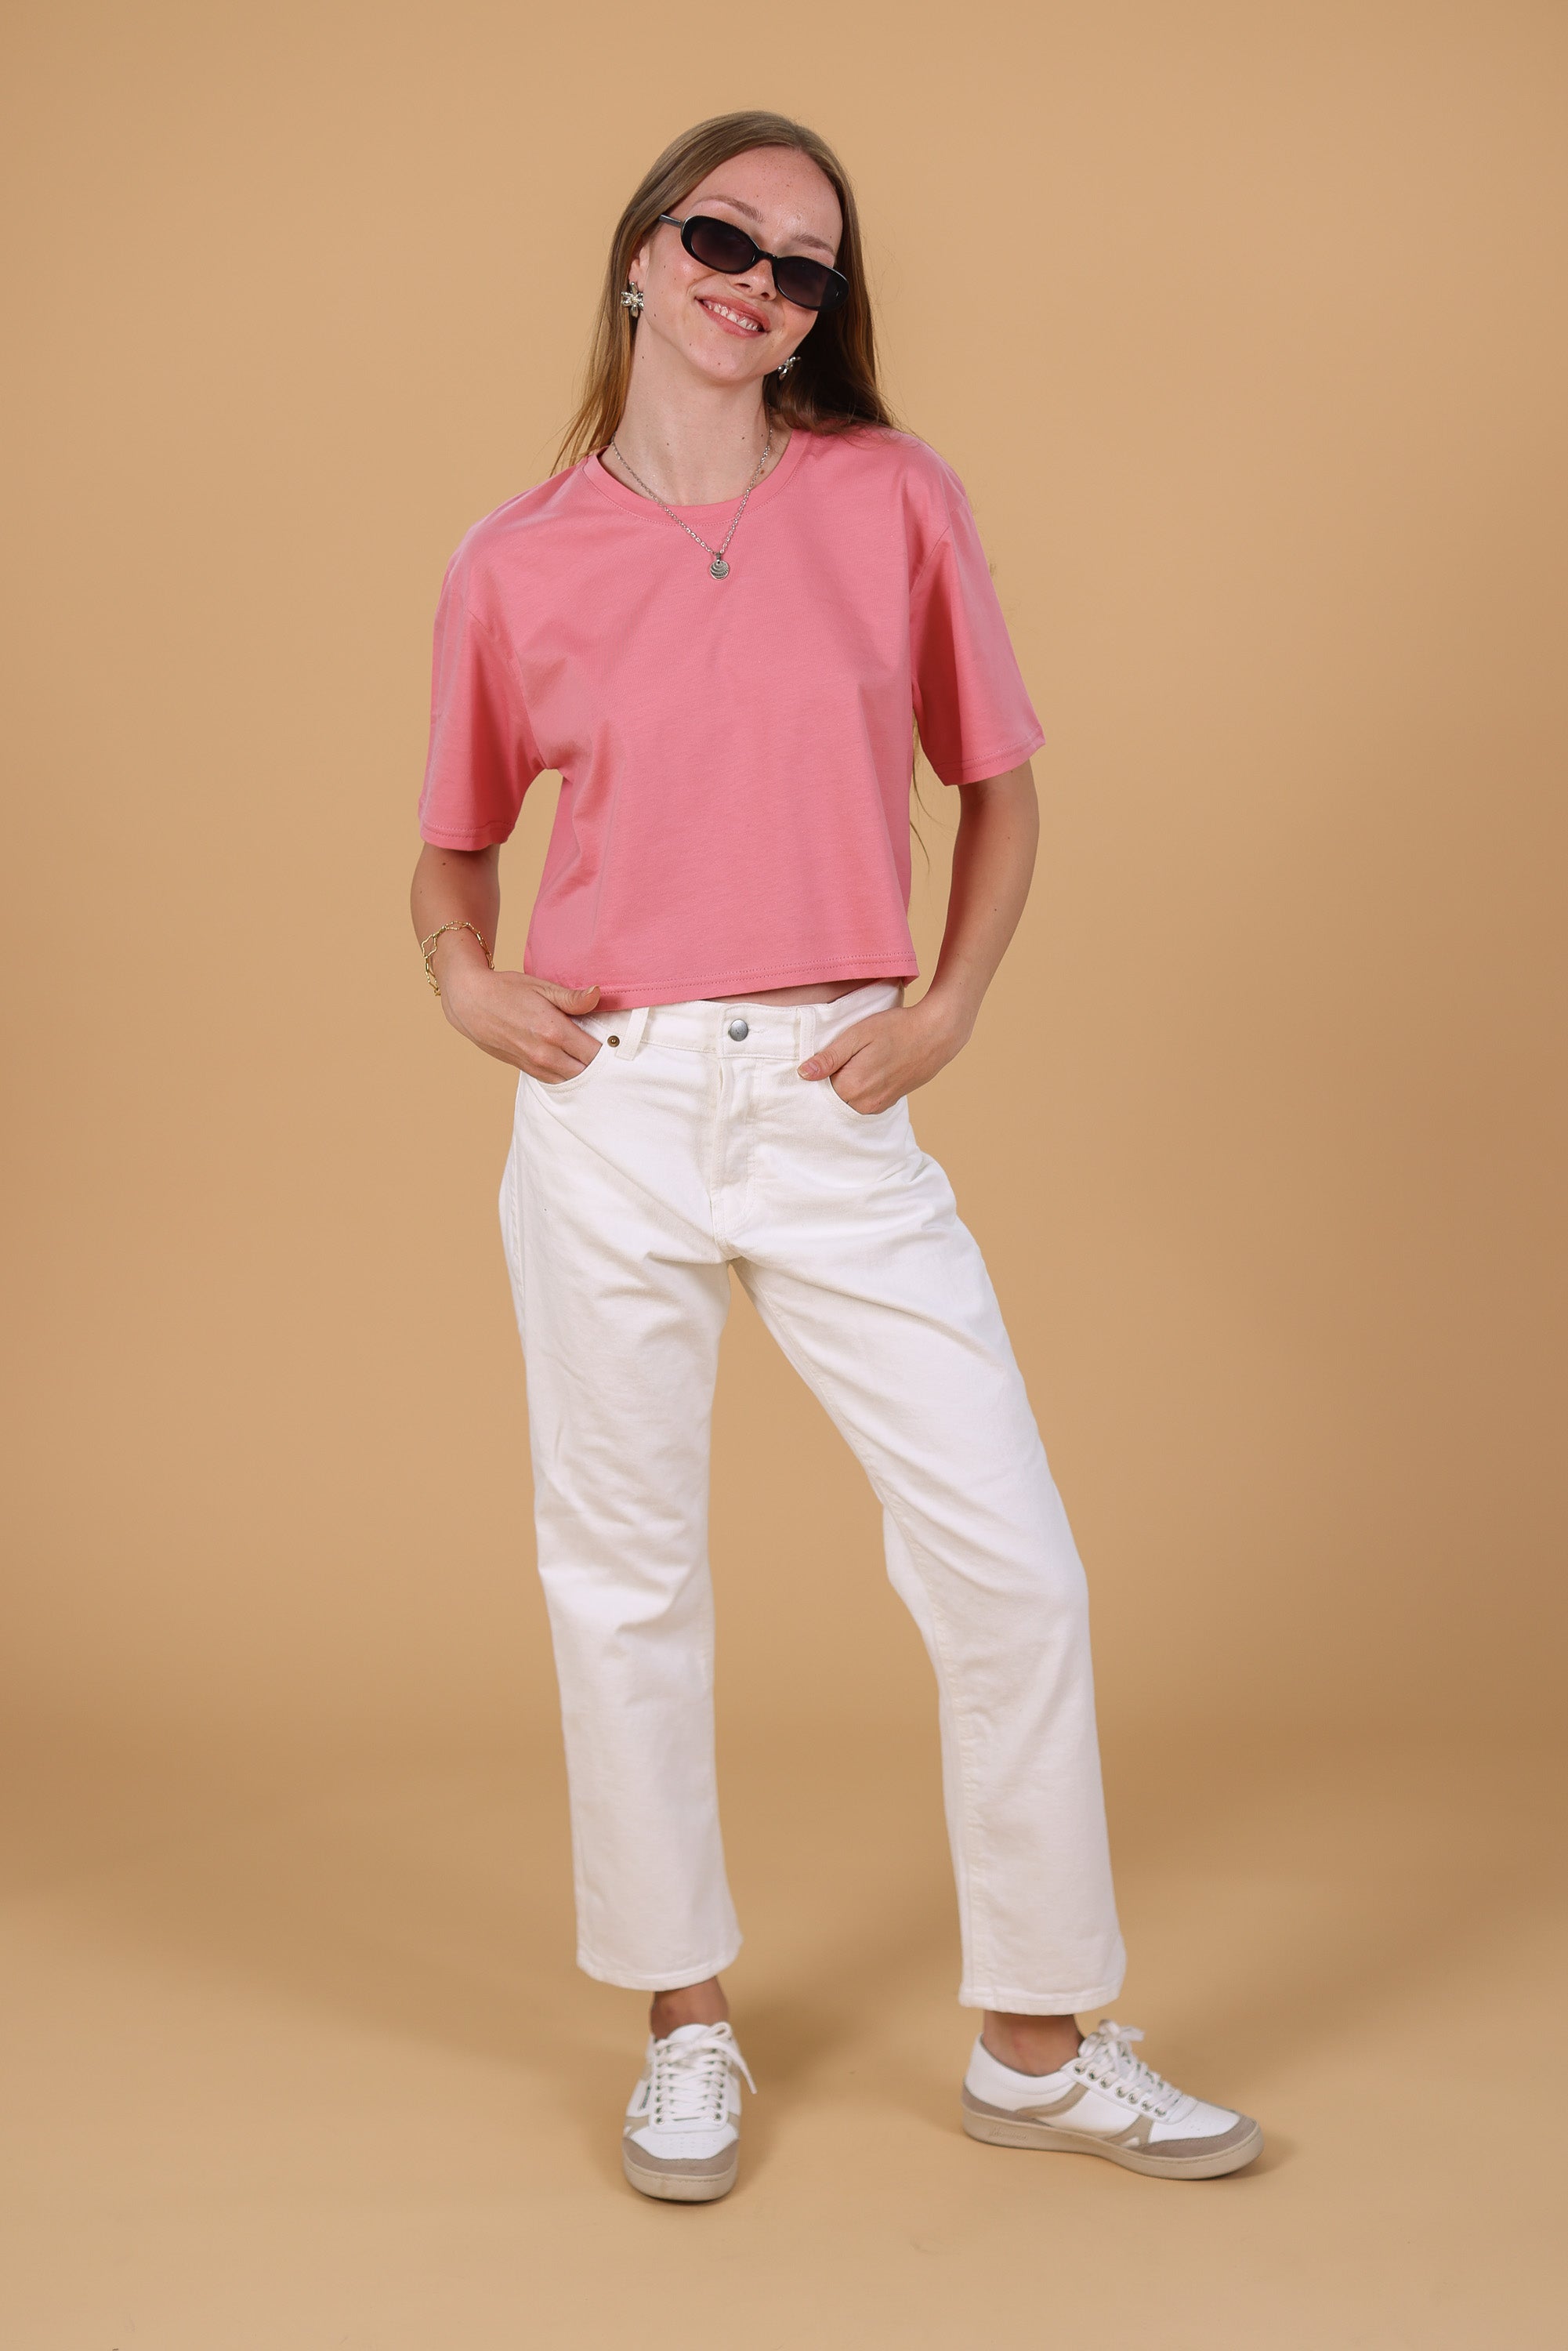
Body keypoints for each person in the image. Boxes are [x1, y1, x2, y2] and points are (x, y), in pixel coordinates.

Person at [409, 109, 1262, 2204]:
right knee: (624, 1582)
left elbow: (1001, 785)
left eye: (803, 268)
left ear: (818, 316)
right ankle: (682, 2027)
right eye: (725, 239)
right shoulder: (513, 561)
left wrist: (947, 1005)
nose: (759, 286)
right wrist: (462, 978)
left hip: (829, 1095)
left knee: (1009, 1564)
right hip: (610, 1107)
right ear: (640, 252)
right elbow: (451, 852)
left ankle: (1037, 2047)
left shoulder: (892, 500)